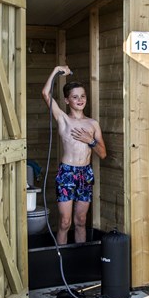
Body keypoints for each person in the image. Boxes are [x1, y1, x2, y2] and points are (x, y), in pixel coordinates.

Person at [41, 66, 106, 244]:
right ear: (67, 100)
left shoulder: (93, 124)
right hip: (67, 173)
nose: (80, 99)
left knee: (81, 221)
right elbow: (46, 94)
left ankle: (80, 259)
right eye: (75, 97)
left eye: (83, 96)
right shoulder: (63, 119)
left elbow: (103, 154)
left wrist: (90, 140)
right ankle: (62, 258)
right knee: (65, 222)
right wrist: (56, 70)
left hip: (85, 174)